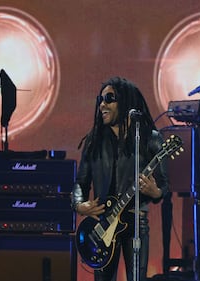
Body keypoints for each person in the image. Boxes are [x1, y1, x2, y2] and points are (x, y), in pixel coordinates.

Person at [71, 76, 170, 281]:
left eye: (109, 99)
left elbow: (163, 184)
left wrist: (156, 192)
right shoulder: (94, 141)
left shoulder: (149, 139)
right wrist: (79, 204)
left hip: (135, 223)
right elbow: (80, 183)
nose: (102, 105)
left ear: (125, 102)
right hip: (102, 226)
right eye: (101, 99)